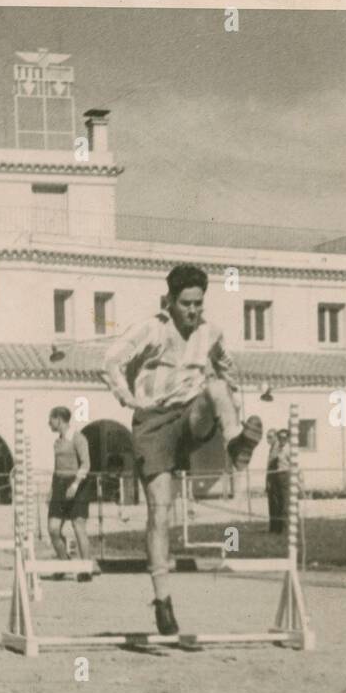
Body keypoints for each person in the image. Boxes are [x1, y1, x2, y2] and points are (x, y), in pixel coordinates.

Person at [103, 264, 263, 636]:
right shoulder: (152, 329)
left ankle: (236, 441)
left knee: (218, 389)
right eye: (186, 304)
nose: (193, 311)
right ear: (170, 302)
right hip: (154, 423)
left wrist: (233, 399)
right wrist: (128, 398)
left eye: (198, 304)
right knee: (161, 513)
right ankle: (162, 599)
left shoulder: (210, 332)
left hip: (191, 418)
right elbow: (110, 359)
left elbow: (227, 368)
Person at [46, 406, 94, 581]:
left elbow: (86, 465)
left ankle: (85, 569)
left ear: (59, 419)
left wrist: (75, 485)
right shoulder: (57, 442)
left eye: (50, 419)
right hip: (59, 484)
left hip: (78, 484)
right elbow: (57, 468)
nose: (48, 423)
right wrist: (52, 489)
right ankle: (64, 563)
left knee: (78, 527)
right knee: (53, 529)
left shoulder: (79, 438)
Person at [268, 429, 293, 535]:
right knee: (279, 502)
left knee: (285, 503)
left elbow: (294, 465)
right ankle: (278, 528)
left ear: (287, 438)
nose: (282, 440)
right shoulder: (278, 448)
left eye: (284, 438)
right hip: (278, 476)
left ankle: (285, 528)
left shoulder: (288, 449)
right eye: (280, 438)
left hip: (285, 475)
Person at [264, 429, 283, 533]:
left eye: (270, 437)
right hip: (270, 478)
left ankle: (277, 528)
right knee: (271, 504)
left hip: (276, 479)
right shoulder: (271, 448)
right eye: (267, 437)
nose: (268, 439)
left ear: (276, 437)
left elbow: (275, 464)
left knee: (276, 504)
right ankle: (273, 527)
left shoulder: (278, 448)